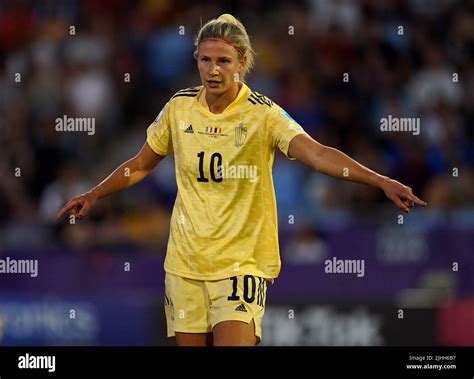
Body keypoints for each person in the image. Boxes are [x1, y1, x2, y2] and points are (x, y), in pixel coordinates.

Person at [56, 14, 427, 346]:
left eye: (223, 61)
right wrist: (94, 193)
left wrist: (379, 180)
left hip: (240, 263)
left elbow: (317, 153)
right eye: (205, 60)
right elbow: (140, 164)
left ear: (242, 63)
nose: (213, 70)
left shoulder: (263, 115)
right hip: (185, 263)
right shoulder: (179, 107)